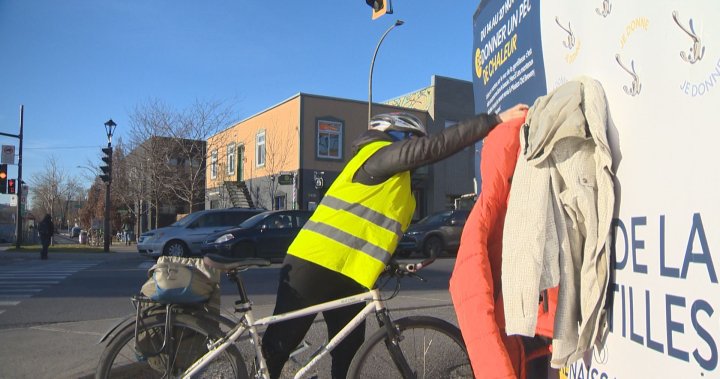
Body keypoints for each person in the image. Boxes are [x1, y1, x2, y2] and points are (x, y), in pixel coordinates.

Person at [260, 104, 528, 379]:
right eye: (415, 142)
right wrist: (492, 120)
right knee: (279, 347)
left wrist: (392, 264)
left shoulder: (400, 188)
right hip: (315, 263)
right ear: (397, 136)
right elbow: (434, 148)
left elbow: (370, 230)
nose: (419, 152)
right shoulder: (376, 155)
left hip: (352, 275)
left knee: (349, 355)